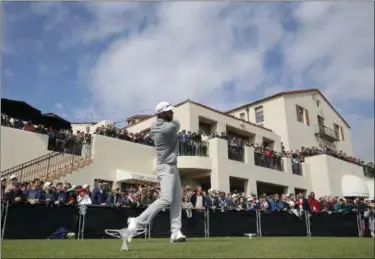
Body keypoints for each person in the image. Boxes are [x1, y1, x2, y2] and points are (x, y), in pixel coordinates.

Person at [127, 101, 186, 243]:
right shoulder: (170, 127)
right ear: (161, 114)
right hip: (165, 167)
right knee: (166, 198)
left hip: (171, 166)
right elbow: (178, 123)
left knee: (177, 199)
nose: (172, 113)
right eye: (169, 111)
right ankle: (138, 221)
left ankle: (176, 231)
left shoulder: (155, 125)